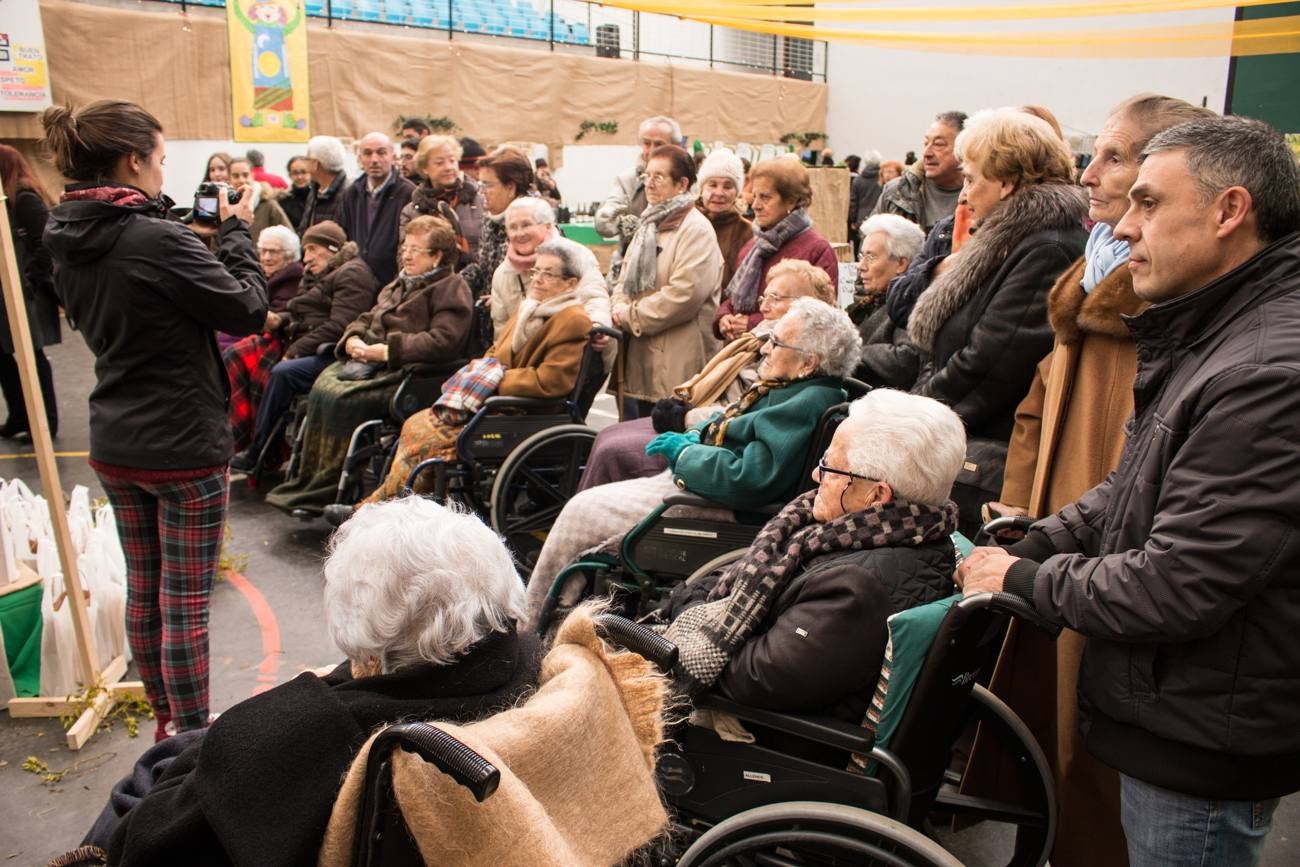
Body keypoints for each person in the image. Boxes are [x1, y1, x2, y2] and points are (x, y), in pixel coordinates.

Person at [956, 115, 1300, 867]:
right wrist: (1045, 536)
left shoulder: (1263, 368)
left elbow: (1179, 583)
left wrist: (1024, 578)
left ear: (1229, 210)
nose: (1122, 224)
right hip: (1186, 718)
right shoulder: (1219, 327)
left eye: (1147, 202)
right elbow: (1134, 480)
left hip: (1203, 739)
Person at [83, 497, 541, 867]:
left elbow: (145, 845)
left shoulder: (289, 736)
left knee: (160, 762)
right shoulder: (529, 660)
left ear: (366, 646)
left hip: (272, 791)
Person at [41, 99, 267, 738]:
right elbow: (246, 308)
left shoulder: (68, 231)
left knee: (147, 591)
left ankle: (168, 719)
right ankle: (192, 737)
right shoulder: (153, 237)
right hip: (182, 441)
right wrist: (237, 232)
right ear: (134, 160)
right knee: (185, 606)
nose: (165, 175)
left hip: (117, 434)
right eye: (162, 161)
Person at [525, 297, 861, 626]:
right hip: (704, 487)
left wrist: (686, 454)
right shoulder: (796, 389)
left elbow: (749, 478)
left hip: (721, 505)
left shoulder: (804, 403)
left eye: (776, 342)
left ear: (809, 363)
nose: (764, 349)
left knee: (580, 512)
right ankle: (558, 610)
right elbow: (731, 425)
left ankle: (534, 620)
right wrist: (695, 435)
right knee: (587, 503)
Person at [663, 389, 963, 716]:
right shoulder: (868, 531)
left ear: (876, 496)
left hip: (760, 744)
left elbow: (755, 679)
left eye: (830, 467)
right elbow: (739, 574)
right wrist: (695, 600)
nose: (816, 475)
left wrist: (686, 608)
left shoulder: (858, 588)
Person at [325, 237, 596, 524]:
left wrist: (495, 379)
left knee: (429, 440)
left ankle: (381, 513)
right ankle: (395, 509)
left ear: (571, 283)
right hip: (497, 405)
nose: (538, 279)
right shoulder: (529, 307)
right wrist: (487, 368)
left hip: (524, 412)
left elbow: (551, 382)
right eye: (536, 271)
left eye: (548, 273)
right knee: (416, 424)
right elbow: (497, 352)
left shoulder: (573, 319)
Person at [905, 108, 1087, 536]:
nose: (964, 195)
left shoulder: (1047, 248)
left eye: (972, 179)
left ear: (1007, 183)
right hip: (963, 430)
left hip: (986, 455)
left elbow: (989, 363)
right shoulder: (1013, 238)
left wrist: (910, 419)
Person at [265, 215, 471, 516]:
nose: (407, 254)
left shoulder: (450, 287)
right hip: (370, 362)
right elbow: (367, 316)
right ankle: (306, 484)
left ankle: (327, 490)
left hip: (407, 373)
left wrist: (387, 351)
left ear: (437, 256)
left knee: (341, 399)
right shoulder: (401, 281)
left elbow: (443, 341)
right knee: (321, 388)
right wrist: (352, 338)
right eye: (406, 247)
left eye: (416, 249)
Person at [580, 260, 836, 491]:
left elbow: (745, 413)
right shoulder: (758, 337)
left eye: (776, 298)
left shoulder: (792, 351)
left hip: (718, 445)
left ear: (806, 306)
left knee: (613, 450)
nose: (765, 306)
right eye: (764, 297)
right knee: (608, 436)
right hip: (710, 426)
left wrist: (687, 420)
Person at [228, 221, 379, 471]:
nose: (306, 258)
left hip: (334, 352)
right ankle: (238, 437)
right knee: (240, 355)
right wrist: (279, 319)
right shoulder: (319, 273)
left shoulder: (352, 274)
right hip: (301, 340)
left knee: (282, 372)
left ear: (331, 248)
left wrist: (293, 352)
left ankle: (259, 450)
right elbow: (301, 312)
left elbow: (339, 325)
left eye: (312, 249)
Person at [609, 144, 723, 417]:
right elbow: (624, 281)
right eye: (647, 175)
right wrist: (618, 306)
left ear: (682, 183)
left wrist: (629, 315)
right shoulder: (648, 224)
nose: (649, 183)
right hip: (641, 357)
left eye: (659, 176)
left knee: (666, 442)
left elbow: (684, 295)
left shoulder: (696, 229)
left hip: (676, 364)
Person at [714, 157, 838, 341]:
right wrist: (724, 317)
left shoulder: (816, 249)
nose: (755, 205)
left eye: (765, 197)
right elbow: (733, 298)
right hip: (743, 356)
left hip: (786, 359)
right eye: (754, 196)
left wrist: (751, 324)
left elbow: (819, 316)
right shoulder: (753, 246)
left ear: (791, 201)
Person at [0, 145, 61, 438]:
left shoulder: (24, 198)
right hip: (11, 293)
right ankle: (20, 417)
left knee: (33, 357)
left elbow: (45, 245)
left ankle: (45, 421)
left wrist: (28, 281)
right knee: (4, 356)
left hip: (27, 294)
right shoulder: (10, 201)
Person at [488, 198, 612, 340]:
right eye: (513, 227)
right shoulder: (502, 274)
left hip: (572, 346)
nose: (519, 233)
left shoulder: (576, 255)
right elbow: (502, 330)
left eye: (526, 225)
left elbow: (595, 299)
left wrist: (597, 326)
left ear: (547, 226)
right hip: (525, 354)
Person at [594, 115, 680, 281]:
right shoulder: (628, 180)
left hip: (670, 270)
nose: (651, 150)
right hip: (627, 273)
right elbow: (606, 221)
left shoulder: (687, 182)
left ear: (676, 147)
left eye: (659, 144)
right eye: (647, 143)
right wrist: (614, 219)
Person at [853, 214, 926, 388]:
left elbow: (906, 360)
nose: (861, 266)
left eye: (871, 257)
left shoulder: (912, 304)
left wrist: (849, 352)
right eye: (861, 256)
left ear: (901, 264)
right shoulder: (871, 301)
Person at [336, 132, 415, 287]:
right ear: (359, 159)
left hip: (393, 282)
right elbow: (342, 236)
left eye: (381, 153)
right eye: (367, 153)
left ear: (393, 157)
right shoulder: (350, 195)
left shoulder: (408, 193)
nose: (374, 160)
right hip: (357, 283)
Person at [872, 111, 967, 233]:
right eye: (926, 143)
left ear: (963, 149)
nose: (927, 153)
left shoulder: (983, 196)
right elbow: (868, 246)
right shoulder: (896, 193)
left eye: (938, 144)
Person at [401, 134, 486, 269]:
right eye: (439, 163)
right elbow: (406, 258)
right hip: (434, 286)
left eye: (452, 161)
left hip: (478, 284)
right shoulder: (413, 210)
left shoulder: (480, 200)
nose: (448, 167)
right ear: (424, 168)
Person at [460, 146, 534, 299]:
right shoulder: (491, 219)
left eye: (487, 185)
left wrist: (503, 301)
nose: (481, 192)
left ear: (510, 188)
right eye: (480, 184)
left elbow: (542, 285)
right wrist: (454, 284)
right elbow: (482, 268)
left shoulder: (536, 223)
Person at [216, 224, 303, 353]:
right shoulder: (259, 274)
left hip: (265, 340)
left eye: (273, 252)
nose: (266, 257)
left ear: (289, 256)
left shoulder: (291, 279)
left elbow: (272, 318)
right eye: (263, 251)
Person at [695, 148, 752, 290]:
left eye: (728, 186)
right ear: (701, 189)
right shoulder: (686, 223)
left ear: (737, 193)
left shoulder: (747, 232)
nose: (719, 193)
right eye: (712, 185)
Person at [227, 156, 293, 245]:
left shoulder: (268, 205)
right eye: (236, 176)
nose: (241, 180)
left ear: (252, 175)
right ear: (229, 178)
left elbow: (289, 236)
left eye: (245, 175)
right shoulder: (225, 206)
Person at [297, 134, 349, 233]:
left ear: (316, 164)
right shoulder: (315, 189)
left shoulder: (348, 194)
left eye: (306, 159)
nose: (304, 163)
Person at [847, 150, 884, 258]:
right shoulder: (881, 179)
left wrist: (853, 220)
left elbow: (853, 202)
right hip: (878, 216)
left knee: (860, 249)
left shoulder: (858, 180)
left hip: (861, 218)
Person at [279, 155, 312, 230]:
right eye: (295, 173)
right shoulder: (283, 200)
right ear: (290, 175)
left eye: (303, 172)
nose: (299, 177)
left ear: (311, 173)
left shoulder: (319, 199)